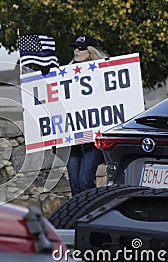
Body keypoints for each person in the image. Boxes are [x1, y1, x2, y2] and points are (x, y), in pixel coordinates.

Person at [66, 34, 108, 196]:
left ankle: (93, 213)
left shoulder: (103, 72)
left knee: (85, 180)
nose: (76, 51)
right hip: (73, 139)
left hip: (94, 139)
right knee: (75, 184)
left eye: (81, 48)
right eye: (75, 48)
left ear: (90, 52)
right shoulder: (66, 73)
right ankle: (77, 217)